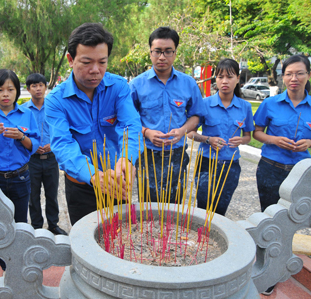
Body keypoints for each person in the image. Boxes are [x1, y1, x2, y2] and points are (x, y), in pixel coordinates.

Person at [45, 23, 142, 225]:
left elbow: (130, 126)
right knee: (88, 246)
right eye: (87, 62)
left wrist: (127, 158)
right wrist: (93, 176)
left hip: (117, 181)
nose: (96, 70)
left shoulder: (118, 87)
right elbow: (63, 145)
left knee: (120, 240)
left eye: (102, 62)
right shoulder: (56, 100)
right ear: (70, 60)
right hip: (81, 186)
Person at [254, 54, 311, 296]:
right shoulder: (270, 103)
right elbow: (257, 132)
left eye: (299, 73)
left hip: (301, 175)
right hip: (270, 169)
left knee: (300, 221)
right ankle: (268, 274)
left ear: (308, 75)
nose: (293, 78)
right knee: (272, 224)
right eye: (288, 74)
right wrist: (273, 139)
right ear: (283, 77)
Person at [129, 26, 206, 204]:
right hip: (147, 153)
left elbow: (197, 116)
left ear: (175, 53)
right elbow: (127, 119)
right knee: (148, 205)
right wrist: (147, 132)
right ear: (150, 53)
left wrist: (182, 131)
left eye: (167, 51)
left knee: (174, 205)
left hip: (176, 154)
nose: (162, 57)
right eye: (157, 51)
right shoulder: (136, 85)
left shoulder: (188, 83)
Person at [0, 69, 40, 269]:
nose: (5, 94)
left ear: (17, 91)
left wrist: (22, 137)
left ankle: (20, 264)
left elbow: (34, 145)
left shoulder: (27, 114)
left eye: (10, 89)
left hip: (20, 177)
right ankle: (6, 267)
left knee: (20, 222)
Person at [187, 59, 254, 215]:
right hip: (206, 163)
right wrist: (208, 140)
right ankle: (202, 238)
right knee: (203, 208)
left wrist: (242, 140)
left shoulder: (245, 107)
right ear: (215, 79)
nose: (224, 81)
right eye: (220, 76)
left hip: (231, 165)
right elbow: (191, 133)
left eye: (229, 77)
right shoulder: (204, 104)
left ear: (238, 78)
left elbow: (248, 136)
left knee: (220, 210)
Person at [22, 73, 67, 235]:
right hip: (31, 160)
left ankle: (53, 224)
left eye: (41, 85)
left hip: (51, 159)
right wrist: (33, 146)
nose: (38, 89)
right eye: (34, 86)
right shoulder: (23, 110)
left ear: (45, 87)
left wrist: (52, 145)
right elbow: (21, 133)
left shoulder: (53, 107)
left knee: (52, 193)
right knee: (33, 195)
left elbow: (61, 129)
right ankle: (36, 226)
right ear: (28, 89)